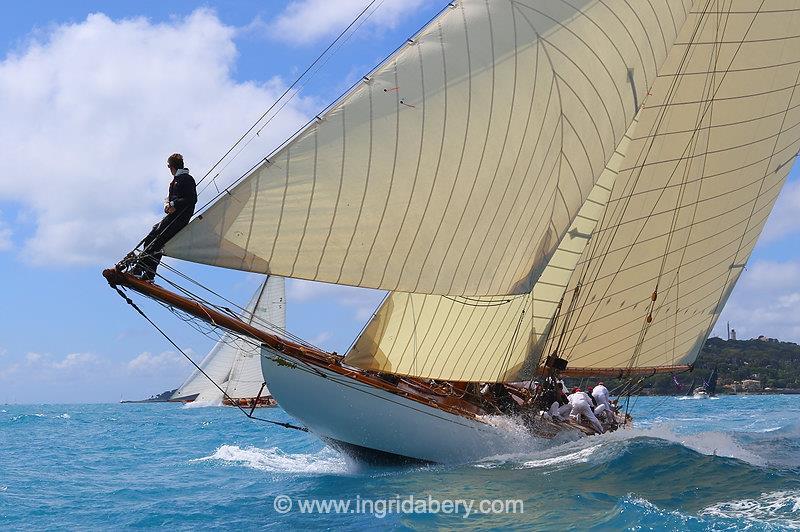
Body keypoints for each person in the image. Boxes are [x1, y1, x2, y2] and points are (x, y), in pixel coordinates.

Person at [128, 153, 197, 281]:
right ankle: (148, 274)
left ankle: (139, 270)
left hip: (179, 219)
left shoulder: (186, 179)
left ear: (171, 166)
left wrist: (173, 204)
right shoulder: (177, 180)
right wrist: (168, 204)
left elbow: (192, 199)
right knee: (153, 238)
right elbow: (170, 198)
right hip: (174, 217)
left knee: (156, 242)